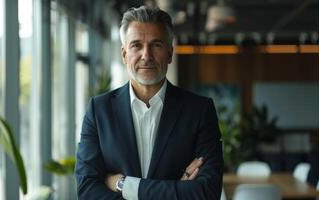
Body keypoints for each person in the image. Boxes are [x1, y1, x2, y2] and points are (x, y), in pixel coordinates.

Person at [75, 5, 223, 200]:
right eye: (136, 45)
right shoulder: (99, 110)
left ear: (170, 53)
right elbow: (87, 191)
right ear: (124, 54)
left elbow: (206, 192)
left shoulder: (200, 111)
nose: (146, 55)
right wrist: (177, 189)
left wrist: (124, 185)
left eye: (156, 45)